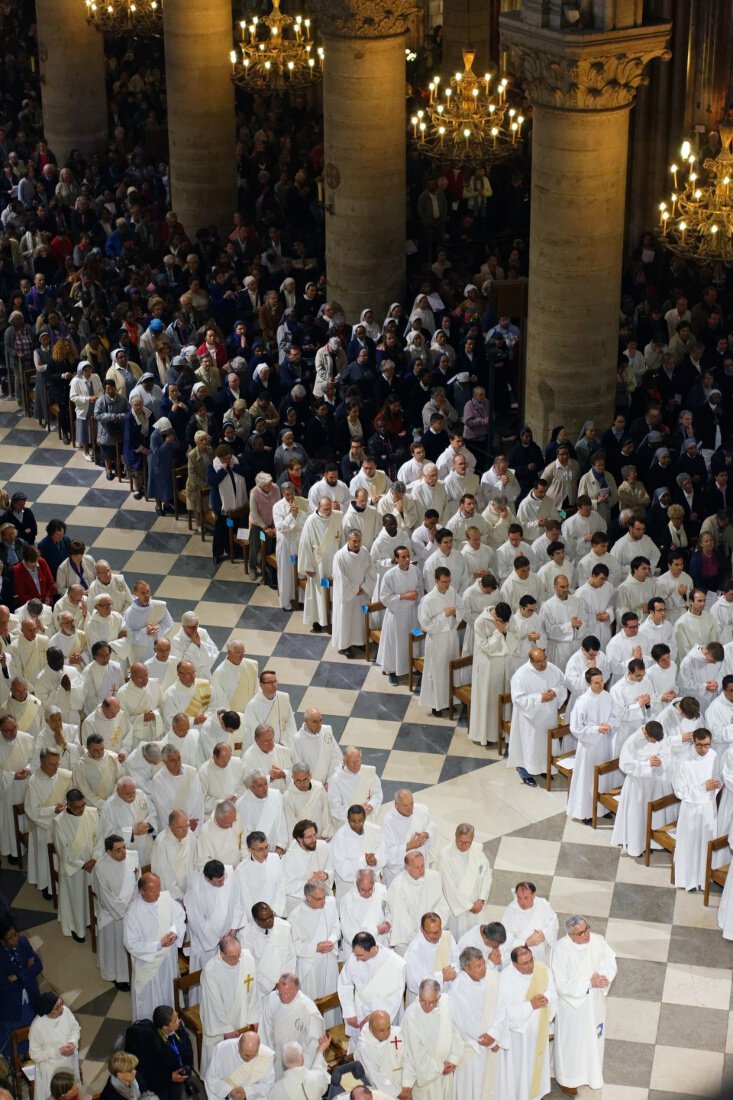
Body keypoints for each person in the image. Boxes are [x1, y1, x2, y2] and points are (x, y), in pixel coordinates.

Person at [551, 916, 617, 1095]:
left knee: (592, 1038)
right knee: (572, 1043)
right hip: (572, 1007)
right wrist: (588, 983)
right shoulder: (560, 949)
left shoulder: (597, 940)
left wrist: (603, 977)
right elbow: (561, 984)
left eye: (587, 928)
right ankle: (567, 1079)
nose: (587, 934)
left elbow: (610, 962)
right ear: (571, 934)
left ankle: (592, 1074)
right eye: (581, 933)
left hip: (594, 1001)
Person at [491, 946, 557, 1100]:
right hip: (519, 1038)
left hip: (539, 1031)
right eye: (524, 963)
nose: (530, 966)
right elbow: (504, 1013)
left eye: (531, 960)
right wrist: (530, 1006)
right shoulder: (505, 980)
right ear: (514, 964)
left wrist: (547, 998)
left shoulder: (541, 969)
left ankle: (536, 1095)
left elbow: (553, 989)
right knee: (520, 1070)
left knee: (536, 1067)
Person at [123, 871, 186, 1019]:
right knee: (149, 1001)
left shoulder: (165, 898)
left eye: (159, 889)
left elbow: (179, 916)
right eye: (153, 891)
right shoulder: (133, 913)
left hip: (168, 961)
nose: (158, 894)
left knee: (168, 993)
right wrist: (158, 944)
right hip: (148, 964)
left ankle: (171, 1023)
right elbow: (131, 945)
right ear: (142, 891)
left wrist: (174, 932)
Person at [200, 934, 258, 1073]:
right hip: (223, 1018)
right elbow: (213, 1004)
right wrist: (226, 1028)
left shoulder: (247, 959)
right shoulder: (211, 971)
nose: (238, 960)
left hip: (243, 1014)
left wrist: (254, 1017)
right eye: (233, 957)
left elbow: (254, 990)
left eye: (239, 954)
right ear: (221, 954)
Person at [337, 931, 407, 1047]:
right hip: (360, 1010)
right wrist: (350, 1012)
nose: (358, 958)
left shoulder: (395, 963)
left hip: (384, 1014)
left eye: (361, 955)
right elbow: (345, 984)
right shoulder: (355, 957)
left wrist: (374, 1017)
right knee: (362, 1048)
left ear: (373, 948)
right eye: (356, 954)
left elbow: (395, 997)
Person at [508, 647, 566, 786]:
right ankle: (525, 771)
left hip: (548, 717)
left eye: (544, 659)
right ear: (531, 661)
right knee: (529, 744)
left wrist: (555, 692)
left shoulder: (552, 668)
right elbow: (518, 698)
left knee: (546, 743)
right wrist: (540, 698)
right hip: (530, 720)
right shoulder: (521, 675)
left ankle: (544, 768)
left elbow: (563, 684)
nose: (543, 664)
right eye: (539, 662)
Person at [672, 727, 721, 891]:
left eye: (707, 745)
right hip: (690, 810)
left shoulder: (714, 756)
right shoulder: (683, 761)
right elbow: (679, 791)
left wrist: (714, 787)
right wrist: (703, 788)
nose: (704, 749)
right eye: (700, 745)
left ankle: (704, 878)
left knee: (706, 842)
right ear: (693, 742)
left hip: (708, 808)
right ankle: (688, 880)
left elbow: (718, 780)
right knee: (690, 844)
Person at [451, 946, 502, 1100]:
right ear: (466, 968)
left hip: (489, 1041)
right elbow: (467, 1023)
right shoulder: (459, 989)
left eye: (484, 965)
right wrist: (490, 1041)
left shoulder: (489, 979)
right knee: (471, 1089)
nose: (483, 970)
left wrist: (494, 1034)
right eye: (478, 966)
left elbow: (500, 1006)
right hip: (472, 1047)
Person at [51, 787, 102, 942]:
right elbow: (62, 850)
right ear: (68, 805)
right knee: (77, 899)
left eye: (83, 806)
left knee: (93, 896)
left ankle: (91, 921)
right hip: (74, 870)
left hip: (93, 864)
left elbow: (100, 837)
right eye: (77, 807)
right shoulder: (59, 822)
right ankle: (77, 928)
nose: (81, 810)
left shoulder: (92, 813)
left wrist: (95, 857)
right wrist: (82, 864)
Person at [401, 978, 464, 1099]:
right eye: (422, 1001)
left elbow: (455, 1032)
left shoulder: (446, 1004)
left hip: (446, 1073)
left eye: (431, 1002)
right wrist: (439, 1068)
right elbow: (416, 1052)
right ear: (418, 995)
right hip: (426, 1076)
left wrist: (453, 1059)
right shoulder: (411, 1016)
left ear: (438, 997)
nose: (426, 1006)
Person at [567, 667, 615, 823]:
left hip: (605, 743)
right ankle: (586, 811)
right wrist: (597, 729)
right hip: (589, 746)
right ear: (588, 683)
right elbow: (575, 728)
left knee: (603, 776)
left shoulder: (607, 696)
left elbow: (615, 715)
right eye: (596, 683)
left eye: (601, 681)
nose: (601, 685)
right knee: (587, 778)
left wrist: (609, 725)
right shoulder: (582, 702)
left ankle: (602, 808)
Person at [469, 602, 519, 746]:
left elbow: (516, 635)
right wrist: (498, 632)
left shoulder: (509, 617)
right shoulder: (480, 621)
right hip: (489, 666)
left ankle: (504, 731)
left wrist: (505, 631)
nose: (504, 623)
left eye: (506, 621)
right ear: (495, 613)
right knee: (489, 699)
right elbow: (484, 647)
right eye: (502, 621)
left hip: (505, 664)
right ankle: (487, 734)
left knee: (504, 696)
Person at [418, 567, 465, 717]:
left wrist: (456, 612)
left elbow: (461, 606)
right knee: (438, 672)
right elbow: (424, 625)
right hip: (437, 640)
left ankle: (451, 700)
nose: (447, 585)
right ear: (436, 580)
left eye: (448, 581)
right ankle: (437, 705)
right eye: (444, 582)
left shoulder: (451, 591)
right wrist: (443, 615)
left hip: (451, 637)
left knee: (451, 669)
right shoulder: (428, 599)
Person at [259, 973, 325, 1079]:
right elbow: (265, 1030)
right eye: (280, 992)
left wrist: (302, 1069)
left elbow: (314, 1043)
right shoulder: (272, 999)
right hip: (276, 1055)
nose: (282, 997)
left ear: (296, 990)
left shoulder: (308, 1010)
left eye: (286, 994)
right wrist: (266, 1058)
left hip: (298, 1062)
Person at [436, 822, 493, 939]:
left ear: (473, 839)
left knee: (477, 937)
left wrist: (481, 899)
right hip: (458, 908)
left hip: (478, 905)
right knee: (459, 938)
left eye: (467, 843)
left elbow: (487, 874)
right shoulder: (445, 855)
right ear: (455, 836)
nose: (463, 846)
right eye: (460, 842)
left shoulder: (476, 849)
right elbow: (448, 887)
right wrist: (469, 906)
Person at [125, 1004, 194, 1100]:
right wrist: (170, 1077)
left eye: (177, 1016)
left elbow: (187, 1044)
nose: (179, 1021)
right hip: (160, 1086)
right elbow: (148, 1073)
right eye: (174, 1020)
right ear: (165, 1027)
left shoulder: (178, 1027)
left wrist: (188, 1065)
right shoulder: (150, 1044)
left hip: (177, 1078)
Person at [375, 545, 422, 684]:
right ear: (396, 559)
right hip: (397, 614)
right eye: (403, 557)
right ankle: (393, 670)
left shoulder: (415, 570)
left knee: (412, 640)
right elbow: (384, 597)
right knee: (395, 642)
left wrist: (417, 594)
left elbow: (420, 587)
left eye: (408, 556)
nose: (407, 559)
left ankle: (412, 666)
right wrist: (403, 596)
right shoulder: (390, 575)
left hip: (413, 613)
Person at [386, 851, 448, 952]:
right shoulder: (398, 887)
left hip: (433, 934)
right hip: (409, 942)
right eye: (417, 867)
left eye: (423, 865)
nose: (421, 870)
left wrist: (433, 930)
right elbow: (401, 919)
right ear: (407, 868)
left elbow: (442, 906)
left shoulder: (434, 877)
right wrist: (422, 935)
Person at [297, 497, 343, 633]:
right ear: (318, 507)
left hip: (334, 561)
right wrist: (307, 566)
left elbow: (343, 538)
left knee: (335, 592)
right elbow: (305, 544)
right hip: (319, 563)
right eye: (325, 509)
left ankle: (334, 620)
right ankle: (317, 621)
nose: (328, 511)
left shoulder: (337, 517)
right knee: (318, 593)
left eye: (329, 508)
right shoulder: (311, 521)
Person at [290, 878, 340, 998]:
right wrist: (315, 948)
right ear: (308, 898)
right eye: (319, 899)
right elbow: (294, 945)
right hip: (311, 964)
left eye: (324, 897)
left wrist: (331, 940)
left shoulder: (330, 903)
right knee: (313, 999)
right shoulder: (295, 916)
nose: (323, 902)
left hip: (329, 958)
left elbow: (336, 927)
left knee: (330, 994)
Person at [0, 919, 43, 1054]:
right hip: (12, 1006)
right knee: (16, 1044)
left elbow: (38, 965)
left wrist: (18, 976)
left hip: (31, 998)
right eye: (10, 938)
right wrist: (27, 972)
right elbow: (4, 985)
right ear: (2, 941)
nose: (15, 939)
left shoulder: (23, 942)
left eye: (15, 935)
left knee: (35, 1035)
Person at [28, 994, 81, 1100]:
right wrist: (57, 1052)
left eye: (61, 1003)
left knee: (73, 1091)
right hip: (51, 1068)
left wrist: (72, 1042)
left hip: (70, 1061)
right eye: (57, 1008)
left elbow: (75, 1028)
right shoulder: (36, 1027)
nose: (61, 1008)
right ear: (47, 1011)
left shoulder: (65, 1011)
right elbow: (35, 1055)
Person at [380, 788, 436, 884]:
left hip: (420, 865)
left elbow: (431, 825)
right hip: (399, 873)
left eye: (411, 803)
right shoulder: (389, 821)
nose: (410, 808)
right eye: (405, 805)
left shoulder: (421, 810)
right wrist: (409, 845)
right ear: (396, 805)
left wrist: (426, 834)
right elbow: (388, 853)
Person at [404, 912, 459, 1003]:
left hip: (447, 996)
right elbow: (413, 983)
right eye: (431, 933)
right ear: (422, 930)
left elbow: (457, 960)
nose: (436, 936)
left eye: (438, 931)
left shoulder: (447, 937)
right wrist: (441, 977)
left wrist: (453, 971)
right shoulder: (414, 950)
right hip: (424, 1002)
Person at [205, 1030, 276, 1100]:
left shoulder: (265, 1055)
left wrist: (247, 1092)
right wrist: (229, 1090)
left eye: (254, 1055)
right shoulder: (221, 1048)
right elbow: (211, 1078)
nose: (250, 1059)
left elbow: (268, 1084)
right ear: (238, 1046)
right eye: (247, 1055)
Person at [499, 882, 558, 965]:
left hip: (540, 954)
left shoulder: (543, 906)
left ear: (533, 895)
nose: (522, 902)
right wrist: (526, 943)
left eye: (526, 898)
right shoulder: (510, 912)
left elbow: (553, 923)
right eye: (519, 898)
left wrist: (544, 934)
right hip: (520, 956)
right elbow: (505, 940)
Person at [353, 1011, 405, 1098]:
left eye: (389, 1028)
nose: (387, 1033)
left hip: (405, 1085)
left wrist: (408, 1084)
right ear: (370, 1028)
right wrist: (399, 1093)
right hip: (385, 1093)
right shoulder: (364, 1048)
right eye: (382, 1030)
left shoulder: (397, 1033)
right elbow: (376, 1078)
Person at [242, 670, 297, 751]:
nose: (274, 685)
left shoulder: (283, 698)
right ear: (261, 685)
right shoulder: (253, 706)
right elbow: (254, 732)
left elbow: (291, 724)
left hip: (284, 745)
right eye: (270, 682)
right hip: (266, 748)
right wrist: (271, 746)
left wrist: (286, 743)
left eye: (275, 682)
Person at [328, 746, 383, 826]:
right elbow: (335, 808)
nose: (355, 765)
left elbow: (377, 793)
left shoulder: (369, 773)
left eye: (357, 761)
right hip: (348, 822)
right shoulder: (336, 779)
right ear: (344, 761)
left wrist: (371, 805)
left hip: (368, 819)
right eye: (351, 762)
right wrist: (357, 811)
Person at [150, 809, 198, 901]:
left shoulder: (191, 836)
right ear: (171, 827)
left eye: (187, 826)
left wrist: (192, 889)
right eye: (180, 828)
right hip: (171, 894)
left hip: (190, 889)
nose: (185, 831)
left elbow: (195, 863)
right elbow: (163, 875)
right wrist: (178, 896)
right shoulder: (161, 843)